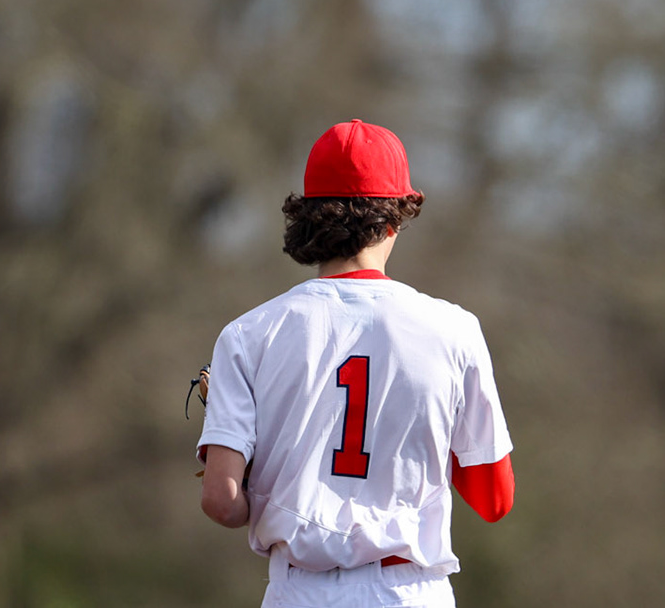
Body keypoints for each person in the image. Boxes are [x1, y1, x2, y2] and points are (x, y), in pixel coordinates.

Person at [197, 119, 515, 608]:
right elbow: (494, 500)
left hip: (298, 591)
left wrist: (264, 469)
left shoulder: (248, 333)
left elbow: (222, 503)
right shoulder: (454, 330)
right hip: (409, 592)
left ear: (308, 219)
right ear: (395, 218)